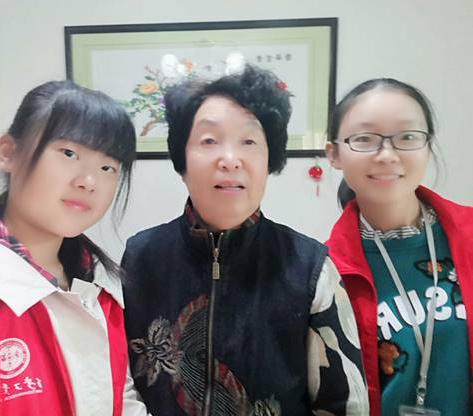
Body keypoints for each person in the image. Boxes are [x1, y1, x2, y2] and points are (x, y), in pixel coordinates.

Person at [121, 65, 368, 415]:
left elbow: (343, 403)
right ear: (182, 161)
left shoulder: (309, 266)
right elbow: (119, 382)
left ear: (270, 160)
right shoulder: (141, 256)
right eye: (209, 141)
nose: (230, 159)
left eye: (249, 141)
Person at [0, 80, 149, 416]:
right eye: (69, 153)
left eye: (107, 167)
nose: (88, 181)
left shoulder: (99, 284)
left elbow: (122, 398)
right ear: (8, 153)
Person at [325, 78, 473, 416]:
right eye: (365, 139)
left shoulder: (469, 235)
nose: (387, 155)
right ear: (333, 154)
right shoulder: (322, 271)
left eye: (407, 137)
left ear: (428, 146)